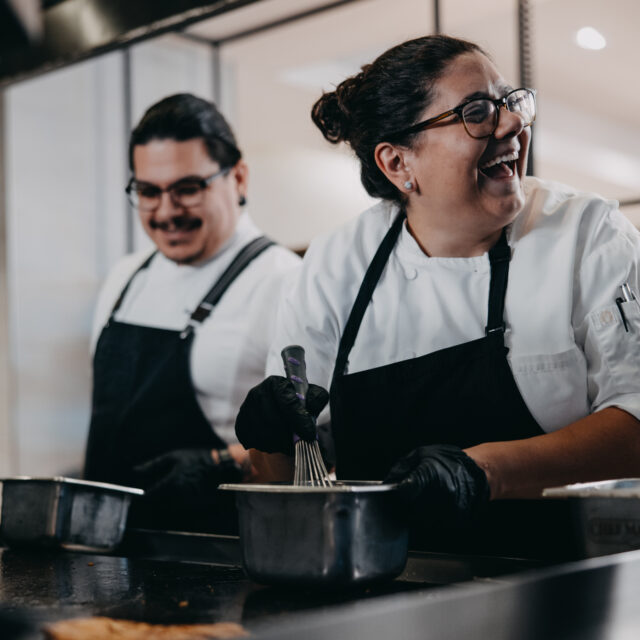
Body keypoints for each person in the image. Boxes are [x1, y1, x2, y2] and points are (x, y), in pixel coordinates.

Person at [235, 35, 640, 546]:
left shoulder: (586, 234)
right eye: (477, 111)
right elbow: (289, 480)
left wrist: (484, 472)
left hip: (557, 581)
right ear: (398, 164)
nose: (513, 123)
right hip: (380, 589)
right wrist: (272, 442)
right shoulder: (336, 265)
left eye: (510, 102)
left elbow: (635, 426)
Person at [84, 93, 300, 531]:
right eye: (148, 192)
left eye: (187, 189)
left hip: (218, 557)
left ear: (238, 178)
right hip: (105, 548)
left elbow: (320, 443)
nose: (165, 212)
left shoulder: (286, 282)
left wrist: (224, 463)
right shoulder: (126, 277)